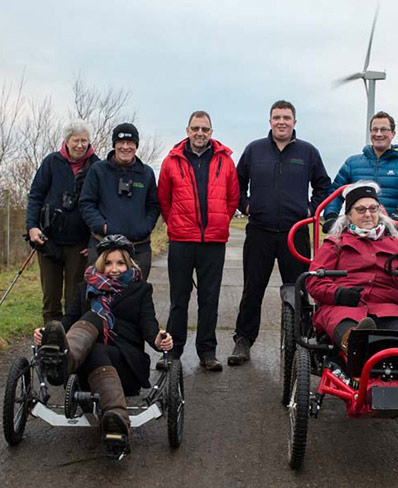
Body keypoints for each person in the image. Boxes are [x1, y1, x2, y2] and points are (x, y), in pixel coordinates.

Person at [34, 234, 173, 458]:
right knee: (90, 321)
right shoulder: (84, 289)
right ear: (100, 264)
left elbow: (149, 324)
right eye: (108, 263)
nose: (114, 269)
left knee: (94, 321)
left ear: (129, 264)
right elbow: (68, 322)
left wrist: (159, 339)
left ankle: (67, 364)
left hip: (125, 364)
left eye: (120, 263)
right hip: (86, 367)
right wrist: (48, 334)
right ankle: (64, 359)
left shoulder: (141, 289)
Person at [228, 100, 331, 366]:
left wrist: (310, 210)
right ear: (270, 121)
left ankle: (305, 342)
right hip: (259, 232)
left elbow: (323, 186)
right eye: (277, 117)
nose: (281, 122)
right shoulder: (254, 150)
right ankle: (243, 341)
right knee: (253, 289)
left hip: (294, 233)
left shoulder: (308, 152)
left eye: (286, 117)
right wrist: (246, 205)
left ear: (295, 122)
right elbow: (236, 183)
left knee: (299, 289)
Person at [157, 110, 239, 372]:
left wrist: (220, 222)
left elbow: (232, 198)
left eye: (204, 129)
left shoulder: (225, 161)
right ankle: (173, 351)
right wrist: (176, 224)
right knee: (179, 299)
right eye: (195, 128)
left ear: (211, 132)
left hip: (213, 242)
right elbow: (164, 199)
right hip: (182, 241)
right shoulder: (171, 161)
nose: (200, 133)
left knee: (209, 299)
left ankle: (207, 352)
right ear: (187, 130)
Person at [306, 181, 398, 352]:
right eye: (361, 210)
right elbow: (313, 281)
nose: (368, 214)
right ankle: (356, 343)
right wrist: (338, 294)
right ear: (349, 215)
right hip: (344, 308)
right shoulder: (335, 243)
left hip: (390, 308)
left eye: (373, 208)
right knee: (351, 330)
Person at [26, 120, 100, 324]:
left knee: (75, 297)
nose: (80, 145)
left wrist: (94, 241)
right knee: (50, 296)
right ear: (66, 141)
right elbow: (35, 196)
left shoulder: (97, 166)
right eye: (76, 140)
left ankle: (72, 344)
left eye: (84, 141)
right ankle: (50, 340)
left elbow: (102, 205)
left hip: (80, 244)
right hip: (48, 240)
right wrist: (32, 227)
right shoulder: (51, 162)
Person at [79, 123, 160, 279]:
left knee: (136, 297)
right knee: (100, 297)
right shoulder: (98, 171)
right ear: (114, 145)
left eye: (130, 143)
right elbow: (86, 203)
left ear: (136, 146)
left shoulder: (146, 173)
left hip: (138, 247)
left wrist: (145, 227)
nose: (125, 147)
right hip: (103, 247)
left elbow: (154, 206)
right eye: (120, 143)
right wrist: (102, 226)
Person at [323, 111, 398, 232]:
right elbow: (335, 193)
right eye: (374, 129)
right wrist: (331, 216)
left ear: (393, 133)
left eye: (384, 130)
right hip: (356, 231)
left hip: (391, 230)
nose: (378, 134)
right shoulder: (352, 163)